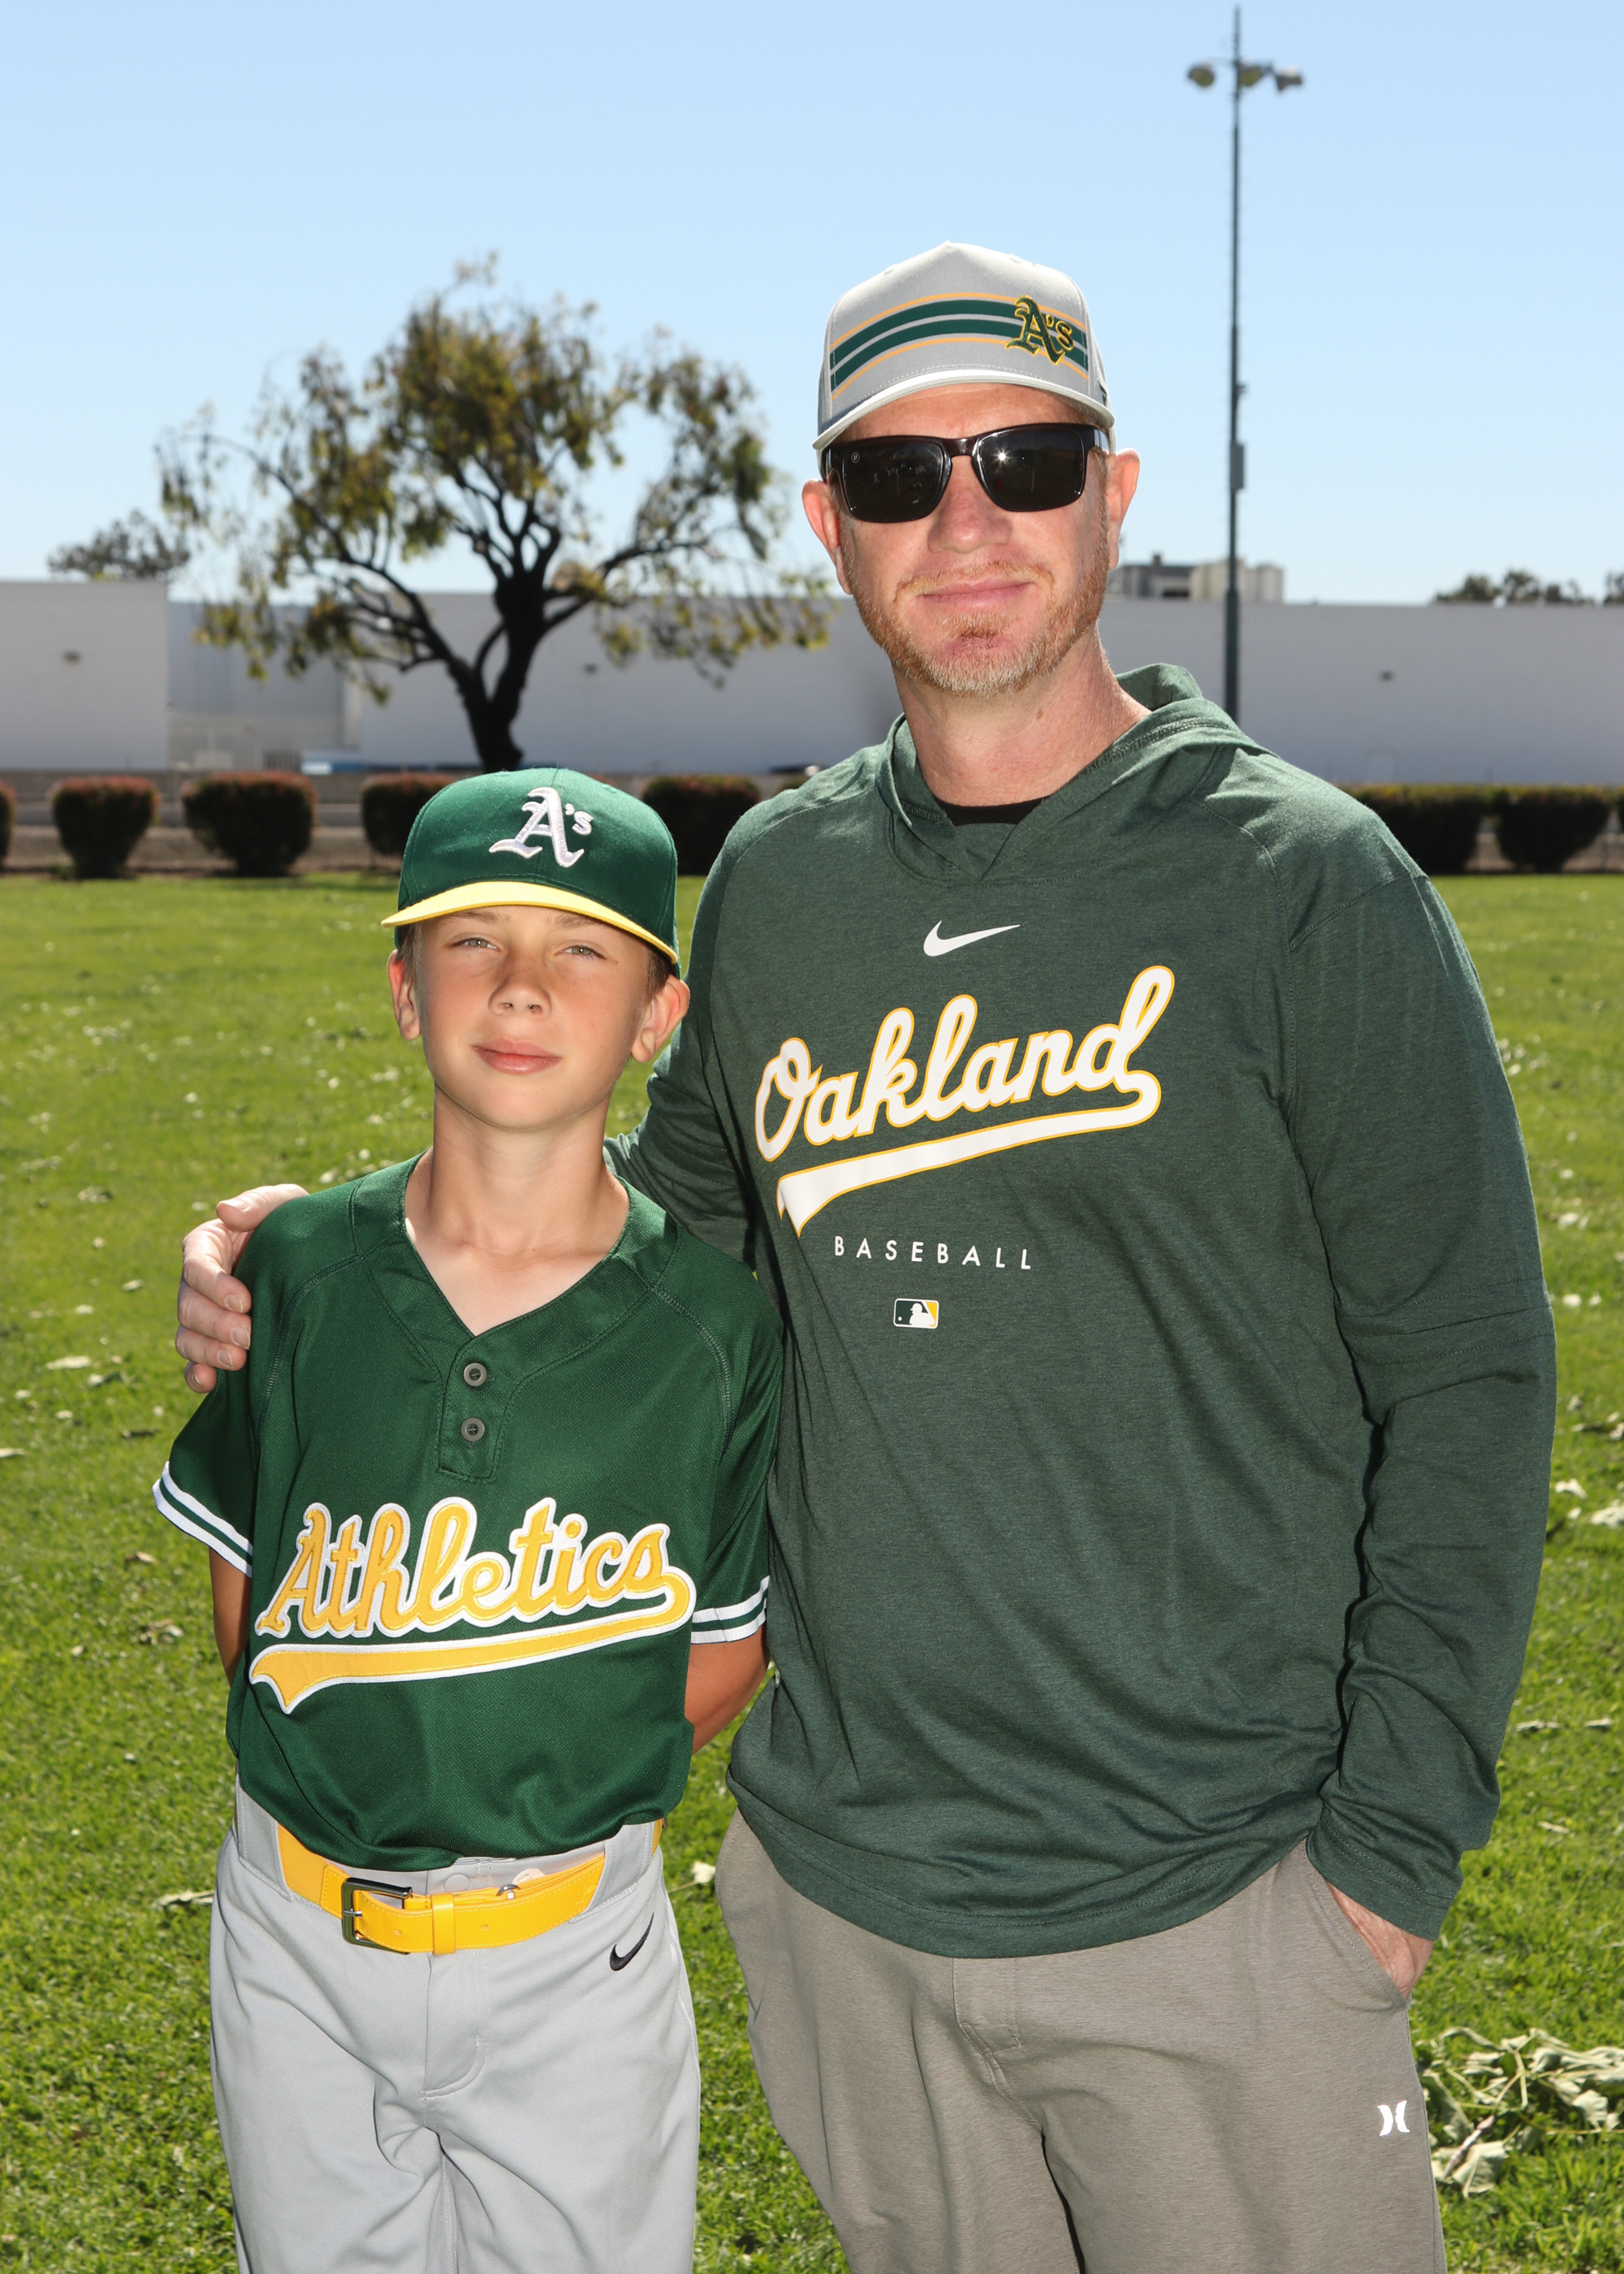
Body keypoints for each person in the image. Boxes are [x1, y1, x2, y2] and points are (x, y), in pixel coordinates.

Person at [175, 245, 1556, 2274]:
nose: (967, 521)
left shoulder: (1300, 880)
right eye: (903, 478)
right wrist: (309, 1254)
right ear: (831, 527)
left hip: (1221, 1901)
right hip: (847, 1901)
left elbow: (1470, 1372)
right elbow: (643, 1248)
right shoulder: (785, 883)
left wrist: (1382, 1857)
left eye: (1025, 461)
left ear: (1114, 491)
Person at [156, 767, 781, 2274]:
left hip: (572, 1947)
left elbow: (721, 1654)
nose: (519, 986)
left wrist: (528, 1759)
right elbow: (249, 1615)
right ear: (403, 988)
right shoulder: (297, 1270)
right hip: (297, 1935)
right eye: (472, 941)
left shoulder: (713, 1328)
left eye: (581, 948)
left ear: (658, 1014)